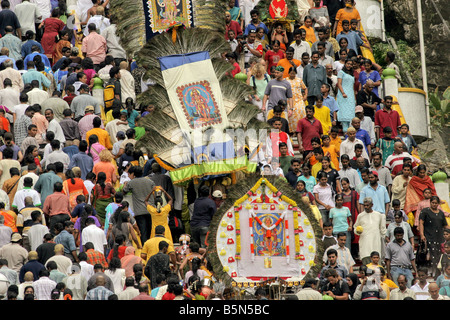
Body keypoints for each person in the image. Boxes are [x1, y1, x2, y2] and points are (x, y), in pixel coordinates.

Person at [123, 166, 155, 243]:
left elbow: (124, 191)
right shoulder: (150, 181)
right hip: (150, 209)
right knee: (150, 230)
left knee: (143, 231)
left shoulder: (131, 183)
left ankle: (144, 249)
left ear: (134, 174)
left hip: (139, 211)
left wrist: (125, 184)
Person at [419, 196, 448, 278]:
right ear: (430, 203)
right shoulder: (425, 211)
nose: (434, 204)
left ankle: (436, 274)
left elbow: (445, 225)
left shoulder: (441, 213)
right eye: (433, 203)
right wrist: (422, 234)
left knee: (438, 256)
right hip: (428, 237)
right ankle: (428, 273)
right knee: (430, 256)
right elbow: (421, 223)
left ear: (438, 204)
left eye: (436, 203)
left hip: (439, 238)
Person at [354, 197, 387, 265]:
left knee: (377, 269)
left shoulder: (378, 215)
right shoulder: (360, 216)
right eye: (364, 205)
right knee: (367, 269)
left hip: (376, 244)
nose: (366, 207)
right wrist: (357, 231)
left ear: (372, 205)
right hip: (365, 245)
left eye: (367, 205)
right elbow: (355, 228)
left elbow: (382, 230)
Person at [336, 59, 355, 133]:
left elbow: (352, 87)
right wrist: (343, 93)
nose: (349, 65)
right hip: (343, 95)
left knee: (350, 114)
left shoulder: (352, 73)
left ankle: (350, 132)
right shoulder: (341, 72)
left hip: (350, 96)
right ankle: (345, 131)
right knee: (344, 112)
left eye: (351, 64)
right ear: (345, 64)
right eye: (348, 63)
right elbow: (339, 84)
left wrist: (354, 98)